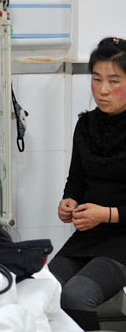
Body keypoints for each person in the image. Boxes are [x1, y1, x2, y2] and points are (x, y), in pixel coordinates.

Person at [48, 37, 126, 331]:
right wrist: (68, 202)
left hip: (122, 237)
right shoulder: (87, 124)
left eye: (114, 80)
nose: (102, 90)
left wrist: (105, 214)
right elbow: (77, 180)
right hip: (90, 236)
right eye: (96, 79)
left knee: (78, 294)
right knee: (46, 289)